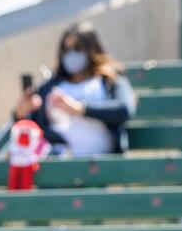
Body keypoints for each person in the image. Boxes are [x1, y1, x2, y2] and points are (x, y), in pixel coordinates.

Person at [13, 22, 137, 156]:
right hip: (59, 163)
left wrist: (79, 108)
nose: (71, 54)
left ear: (92, 49)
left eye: (77, 48)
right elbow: (34, 128)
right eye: (66, 49)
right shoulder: (50, 86)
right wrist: (21, 114)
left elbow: (124, 109)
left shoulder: (109, 79)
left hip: (103, 165)